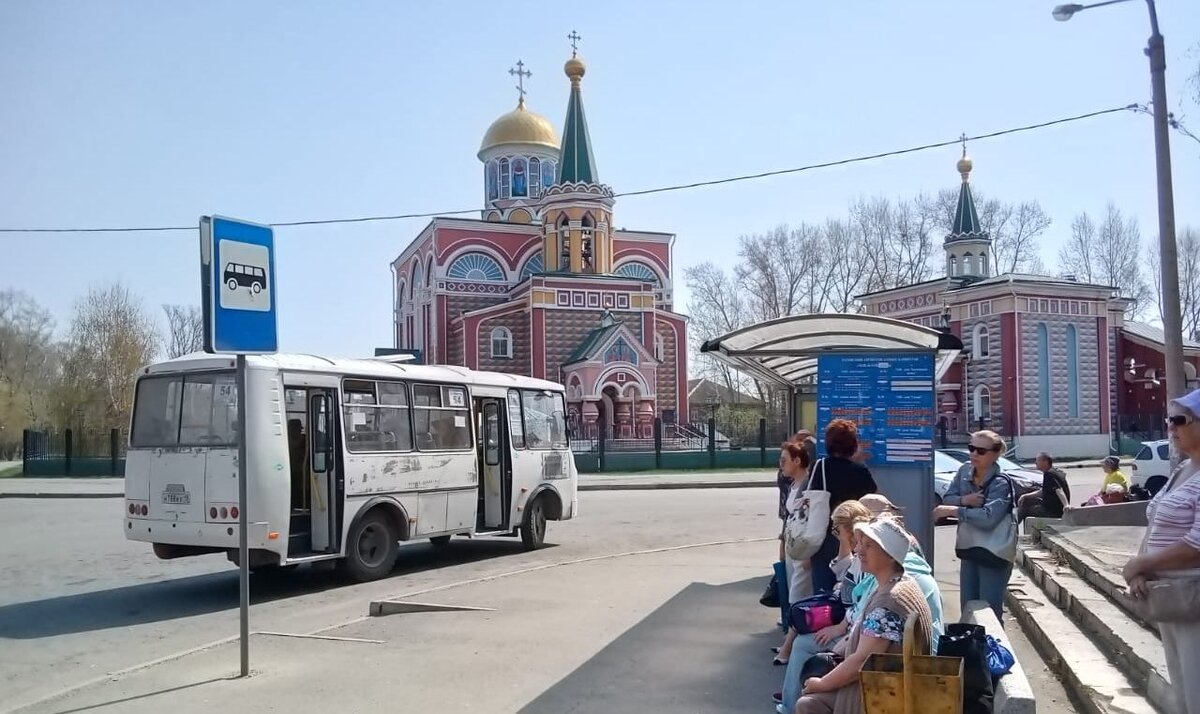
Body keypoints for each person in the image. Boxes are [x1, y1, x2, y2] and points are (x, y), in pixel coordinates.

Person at [795, 517, 935, 714]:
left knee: (807, 703)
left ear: (890, 555)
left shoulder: (889, 602)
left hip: (884, 695)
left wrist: (821, 684)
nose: (859, 550)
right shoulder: (902, 583)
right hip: (893, 687)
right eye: (860, 543)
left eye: (869, 546)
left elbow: (861, 661)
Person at [1122, 389, 1200, 714]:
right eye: (1170, 421)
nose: (1171, 428)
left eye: (1179, 421)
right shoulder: (1183, 469)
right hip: (1169, 596)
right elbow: (1156, 521)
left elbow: (1197, 543)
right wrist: (1142, 570)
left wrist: (1143, 561)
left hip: (1193, 596)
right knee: (1182, 690)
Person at [776, 500, 874, 713]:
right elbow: (846, 580)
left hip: (853, 632)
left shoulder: (866, 558)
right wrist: (845, 544)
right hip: (850, 623)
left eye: (836, 529)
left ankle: (791, 702)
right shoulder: (861, 554)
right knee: (802, 623)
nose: (834, 533)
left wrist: (839, 627)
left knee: (803, 643)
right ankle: (791, 696)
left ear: (846, 529)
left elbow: (862, 602)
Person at [933, 429, 1017, 620]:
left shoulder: (1001, 482)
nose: (973, 454)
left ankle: (992, 648)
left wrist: (955, 511)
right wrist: (966, 500)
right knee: (968, 608)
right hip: (969, 547)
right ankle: (970, 648)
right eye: (971, 448)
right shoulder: (964, 471)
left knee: (988, 610)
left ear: (995, 454)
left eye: (980, 451)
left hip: (994, 551)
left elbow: (988, 519)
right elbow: (948, 497)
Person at [809, 419, 878, 594]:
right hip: (853, 538)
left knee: (823, 594)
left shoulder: (819, 467)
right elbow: (876, 501)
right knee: (850, 592)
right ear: (853, 445)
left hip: (822, 538)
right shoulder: (859, 471)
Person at [774, 440, 815, 665]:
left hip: (802, 551)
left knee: (798, 598)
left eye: (784, 461)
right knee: (794, 596)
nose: (780, 465)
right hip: (793, 548)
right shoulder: (793, 484)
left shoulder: (808, 485)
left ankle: (789, 648)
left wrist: (807, 552)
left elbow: (809, 521)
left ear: (797, 461)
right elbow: (789, 519)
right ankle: (788, 644)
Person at [1017, 452, 1071, 522]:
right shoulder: (1055, 472)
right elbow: (1044, 491)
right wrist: (1025, 496)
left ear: (1045, 462)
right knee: (1027, 500)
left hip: (1052, 511)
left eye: (1037, 461)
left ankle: (1016, 525)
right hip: (1055, 508)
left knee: (1026, 510)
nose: (1035, 463)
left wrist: (1066, 505)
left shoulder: (1049, 474)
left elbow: (1058, 489)